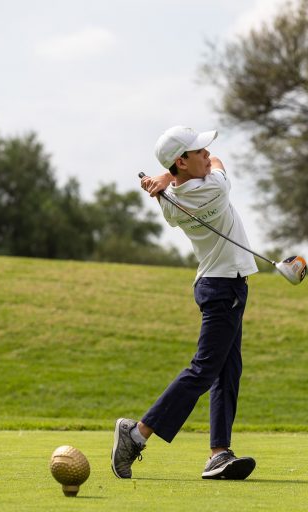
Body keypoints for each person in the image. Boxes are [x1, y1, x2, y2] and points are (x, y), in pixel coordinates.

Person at [111, 125, 259, 480]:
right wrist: (167, 176)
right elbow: (220, 165)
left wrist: (166, 178)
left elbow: (185, 177)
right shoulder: (214, 187)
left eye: (205, 151)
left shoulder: (171, 203)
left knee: (227, 370)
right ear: (182, 160)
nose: (208, 155)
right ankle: (136, 435)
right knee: (204, 370)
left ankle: (219, 454)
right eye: (199, 152)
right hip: (224, 287)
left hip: (217, 283)